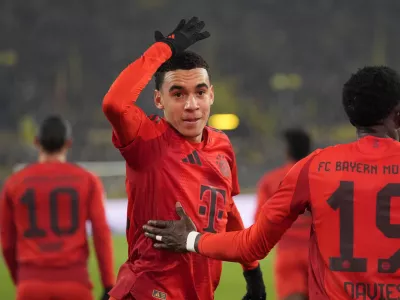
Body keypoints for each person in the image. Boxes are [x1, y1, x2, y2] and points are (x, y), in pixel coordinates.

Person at [143, 66, 400, 300]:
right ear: (397, 115)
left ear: (351, 114)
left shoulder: (313, 168)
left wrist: (190, 239)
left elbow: (251, 245)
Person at [102, 17, 265, 300]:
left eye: (200, 92)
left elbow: (226, 209)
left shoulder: (222, 145)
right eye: (178, 94)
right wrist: (164, 49)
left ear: (211, 95)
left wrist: (253, 272)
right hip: (147, 292)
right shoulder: (147, 140)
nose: (192, 105)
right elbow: (115, 104)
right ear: (158, 100)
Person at [0, 115, 115, 300]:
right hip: (75, 284)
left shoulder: (14, 183)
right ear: (68, 143)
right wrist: (108, 283)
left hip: (30, 285)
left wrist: (22, 278)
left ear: (36, 142)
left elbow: (6, 242)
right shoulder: (87, 181)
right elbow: (101, 233)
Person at [255, 129, 312, 300]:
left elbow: (261, 221)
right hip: (318, 254)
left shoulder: (271, 180)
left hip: (288, 254)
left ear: (287, 150)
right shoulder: (322, 176)